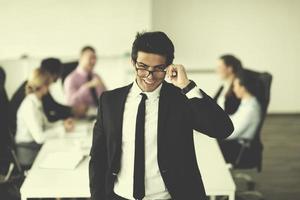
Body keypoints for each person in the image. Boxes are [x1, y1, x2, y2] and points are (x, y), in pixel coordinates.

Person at [89, 31, 234, 200]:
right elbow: (98, 156)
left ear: (169, 67)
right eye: (142, 67)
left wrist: (187, 86)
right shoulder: (109, 101)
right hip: (119, 196)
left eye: (158, 69)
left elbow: (223, 129)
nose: (149, 77)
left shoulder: (180, 99)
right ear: (133, 62)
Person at [15, 68, 74, 167]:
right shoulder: (29, 106)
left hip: (35, 147)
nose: (50, 88)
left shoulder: (36, 101)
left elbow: (46, 124)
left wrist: (62, 123)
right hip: (29, 152)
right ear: (44, 86)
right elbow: (40, 138)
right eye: (49, 85)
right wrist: (62, 129)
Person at [9, 58, 83, 135]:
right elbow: (51, 109)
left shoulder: (35, 87)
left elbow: (48, 116)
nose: (58, 79)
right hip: (21, 135)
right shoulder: (35, 93)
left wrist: (63, 122)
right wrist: (71, 112)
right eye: (58, 74)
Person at [218, 70, 262, 164]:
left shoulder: (250, 109)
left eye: (235, 86)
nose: (233, 89)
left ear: (243, 88)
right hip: (233, 143)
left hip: (237, 150)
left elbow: (229, 134)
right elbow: (233, 120)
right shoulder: (246, 103)